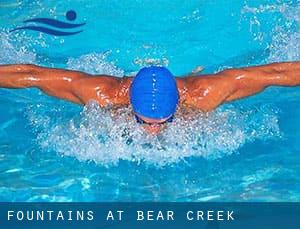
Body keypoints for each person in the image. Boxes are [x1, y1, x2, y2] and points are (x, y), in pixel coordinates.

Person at [0, 62, 299, 134]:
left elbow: (273, 74)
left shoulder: (204, 94)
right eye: (142, 121)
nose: (153, 131)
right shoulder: (101, 93)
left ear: (177, 107)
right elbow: (31, 75)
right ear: (130, 105)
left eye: (163, 122)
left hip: (191, 84)